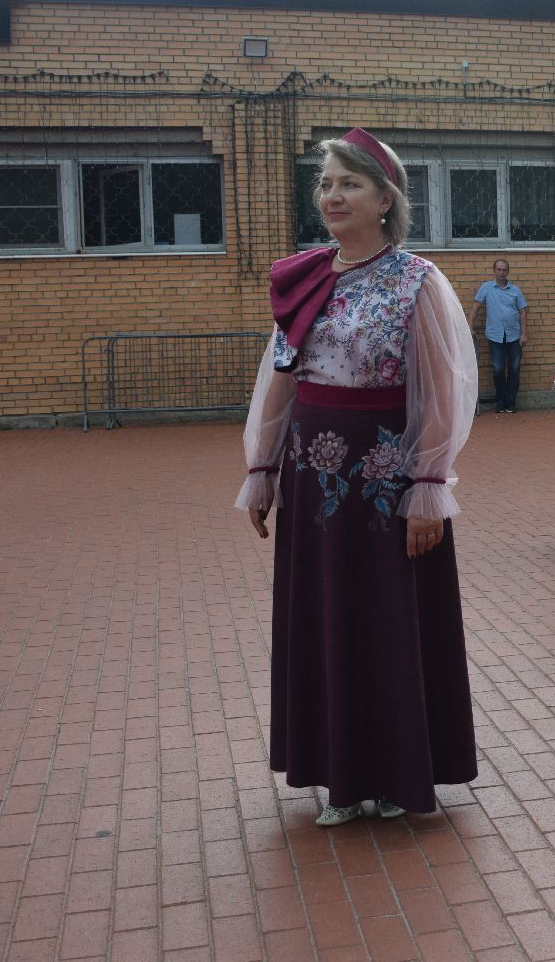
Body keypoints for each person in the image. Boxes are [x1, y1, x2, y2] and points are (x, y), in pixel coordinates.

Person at [236, 127, 479, 826]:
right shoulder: (305, 277)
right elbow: (281, 382)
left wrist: (428, 486)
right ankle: (337, 775)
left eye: (349, 183)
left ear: (385, 198)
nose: (332, 196)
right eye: (325, 184)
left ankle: (393, 774)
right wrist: (263, 469)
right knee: (326, 619)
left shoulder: (417, 282)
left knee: (383, 622)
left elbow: (440, 391)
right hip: (315, 483)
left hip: (384, 479)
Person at [468, 259, 528, 413]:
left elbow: (523, 312)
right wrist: (470, 327)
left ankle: (510, 403)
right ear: (494, 270)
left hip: (514, 336)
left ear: (508, 271)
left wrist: (523, 334)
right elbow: (475, 307)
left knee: (514, 369)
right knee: (498, 369)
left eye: (505, 270)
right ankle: (500, 402)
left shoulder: (515, 290)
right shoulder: (486, 288)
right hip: (495, 336)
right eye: (499, 270)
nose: (502, 273)